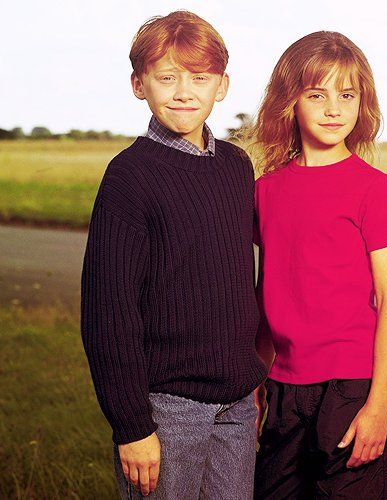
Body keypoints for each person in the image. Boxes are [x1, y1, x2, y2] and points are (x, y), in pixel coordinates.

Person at [81, 11, 267, 499]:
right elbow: (108, 312)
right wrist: (131, 425)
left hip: (238, 402)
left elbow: (234, 279)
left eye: (200, 78)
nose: (184, 92)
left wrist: (251, 375)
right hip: (167, 408)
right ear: (139, 84)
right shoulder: (130, 176)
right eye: (167, 78)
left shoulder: (235, 165)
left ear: (221, 86)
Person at [250, 31, 387, 499]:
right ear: (290, 102)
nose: (333, 109)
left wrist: (379, 406)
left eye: (347, 95)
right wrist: (259, 381)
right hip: (284, 386)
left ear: (362, 103)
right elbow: (269, 293)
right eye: (316, 95)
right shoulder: (266, 191)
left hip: (357, 384)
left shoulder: (372, 188)